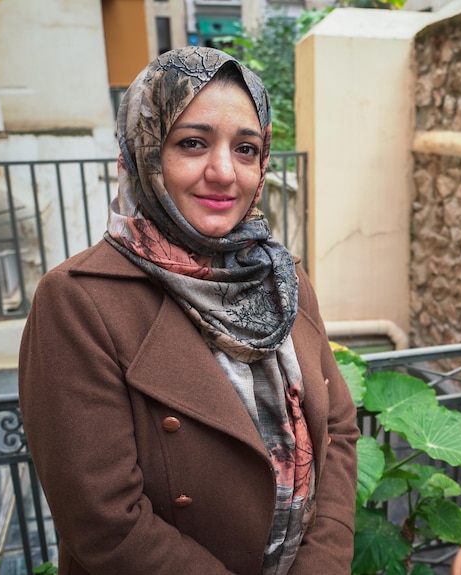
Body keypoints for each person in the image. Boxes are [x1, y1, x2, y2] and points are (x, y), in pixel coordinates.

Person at [18, 46, 359, 575]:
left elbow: (336, 426)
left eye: (246, 148)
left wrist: (324, 563)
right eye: (193, 143)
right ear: (144, 151)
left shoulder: (281, 277)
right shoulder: (77, 301)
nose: (224, 172)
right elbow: (108, 523)